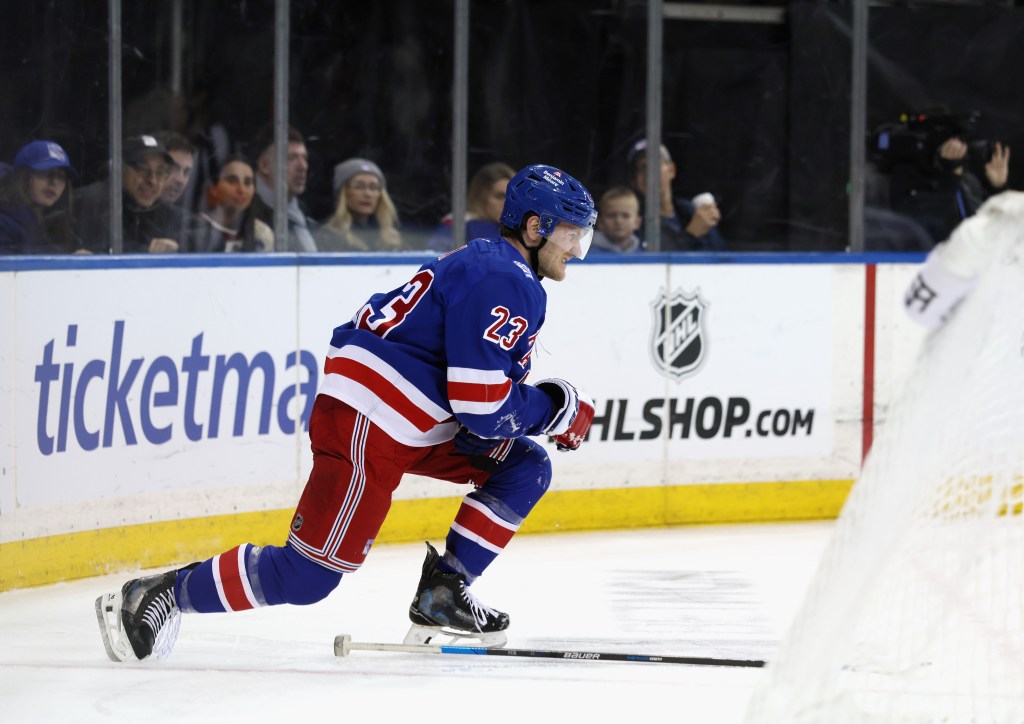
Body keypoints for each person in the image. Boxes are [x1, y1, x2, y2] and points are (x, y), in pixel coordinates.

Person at [95, 163, 599, 663]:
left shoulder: (493, 266)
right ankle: (157, 594)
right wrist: (556, 408)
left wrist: (538, 410)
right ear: (536, 227)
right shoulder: (506, 279)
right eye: (572, 233)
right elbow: (483, 405)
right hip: (374, 417)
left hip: (409, 418)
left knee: (524, 465)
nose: (577, 249)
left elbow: (475, 397)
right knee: (307, 576)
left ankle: (444, 592)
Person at [889, 136, 1011, 247]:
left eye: (960, 145)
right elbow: (936, 225)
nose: (957, 149)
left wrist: (997, 189)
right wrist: (950, 178)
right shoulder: (908, 177)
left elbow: (993, 228)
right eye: (951, 146)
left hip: (976, 258)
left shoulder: (969, 181)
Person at [74, 135, 183, 254]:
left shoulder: (163, 211)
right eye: (142, 169)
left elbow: (201, 233)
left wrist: (178, 244)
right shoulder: (90, 202)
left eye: (161, 172)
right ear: (120, 170)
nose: (152, 180)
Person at [626, 139, 725, 252]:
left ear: (672, 170)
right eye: (643, 167)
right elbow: (651, 265)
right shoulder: (630, 220)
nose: (650, 172)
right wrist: (691, 235)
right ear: (633, 181)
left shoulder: (691, 212)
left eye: (656, 163)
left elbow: (723, 259)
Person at [0, 140, 78, 254]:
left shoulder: (59, 227)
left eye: (61, 176)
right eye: (45, 172)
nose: (54, 182)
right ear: (23, 177)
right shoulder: (4, 224)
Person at [313, 158, 404, 252]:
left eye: (374, 187)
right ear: (344, 193)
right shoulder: (329, 237)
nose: (367, 194)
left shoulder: (391, 238)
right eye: (358, 186)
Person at [251, 124, 317, 252]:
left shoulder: (302, 211)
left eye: (305, 158)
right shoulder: (249, 214)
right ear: (264, 165)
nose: (303, 166)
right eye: (291, 158)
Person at [190, 155, 274, 253]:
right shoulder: (191, 230)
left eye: (248, 183)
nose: (241, 190)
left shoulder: (261, 234)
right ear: (213, 188)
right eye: (232, 181)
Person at [426, 162, 516, 252]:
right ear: (481, 197)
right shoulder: (458, 225)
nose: (507, 202)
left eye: (512, 196)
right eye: (500, 196)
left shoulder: (522, 229)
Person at [589, 186, 644, 254]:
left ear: (637, 222)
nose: (618, 221)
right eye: (612, 215)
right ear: (600, 222)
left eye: (625, 216)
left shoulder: (643, 254)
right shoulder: (586, 253)